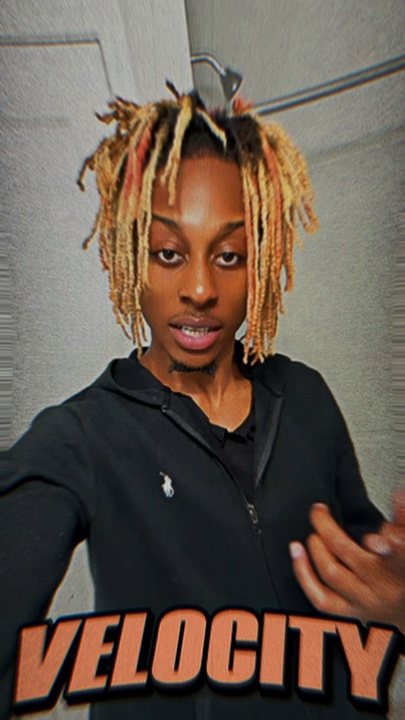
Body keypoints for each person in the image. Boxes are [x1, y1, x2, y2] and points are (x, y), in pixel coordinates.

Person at [0, 88, 404, 720]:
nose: (199, 288)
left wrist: (397, 597)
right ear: (130, 253)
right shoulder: (79, 437)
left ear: (260, 262)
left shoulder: (306, 396)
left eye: (229, 255)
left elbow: (363, 571)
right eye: (168, 252)